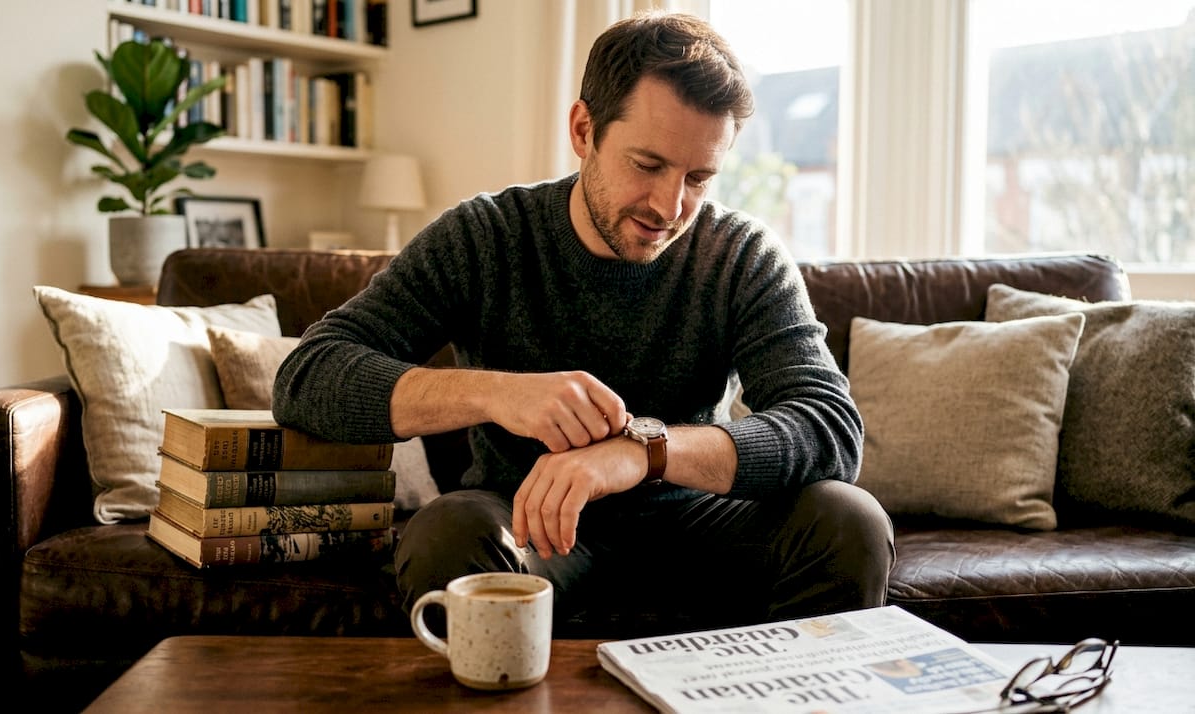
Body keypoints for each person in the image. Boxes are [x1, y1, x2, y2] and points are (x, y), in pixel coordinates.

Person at [273, 10, 894, 631]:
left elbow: (829, 429)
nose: (670, 207)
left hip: (696, 524)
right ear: (583, 129)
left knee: (848, 519)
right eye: (647, 165)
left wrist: (641, 452)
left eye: (699, 178)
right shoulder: (486, 236)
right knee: (447, 532)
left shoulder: (741, 254)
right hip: (525, 529)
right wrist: (497, 392)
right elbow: (307, 375)